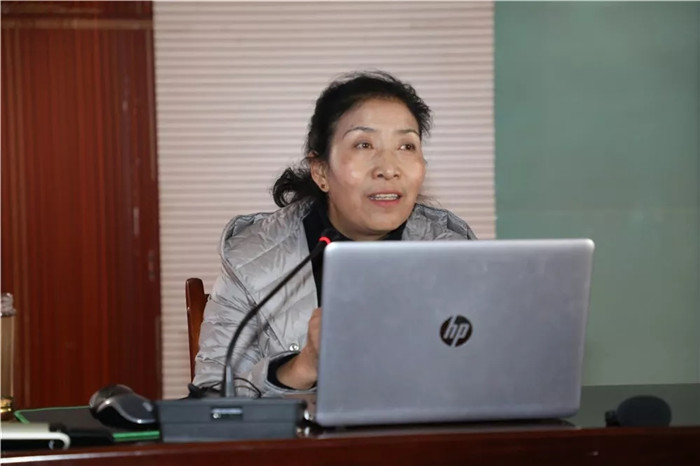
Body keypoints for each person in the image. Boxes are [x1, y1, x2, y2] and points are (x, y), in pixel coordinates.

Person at [193, 71, 477, 397]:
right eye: (364, 144)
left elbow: (489, 377)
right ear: (321, 171)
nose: (389, 168)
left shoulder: (454, 256)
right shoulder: (252, 259)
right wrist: (301, 368)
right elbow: (211, 397)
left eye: (406, 146)